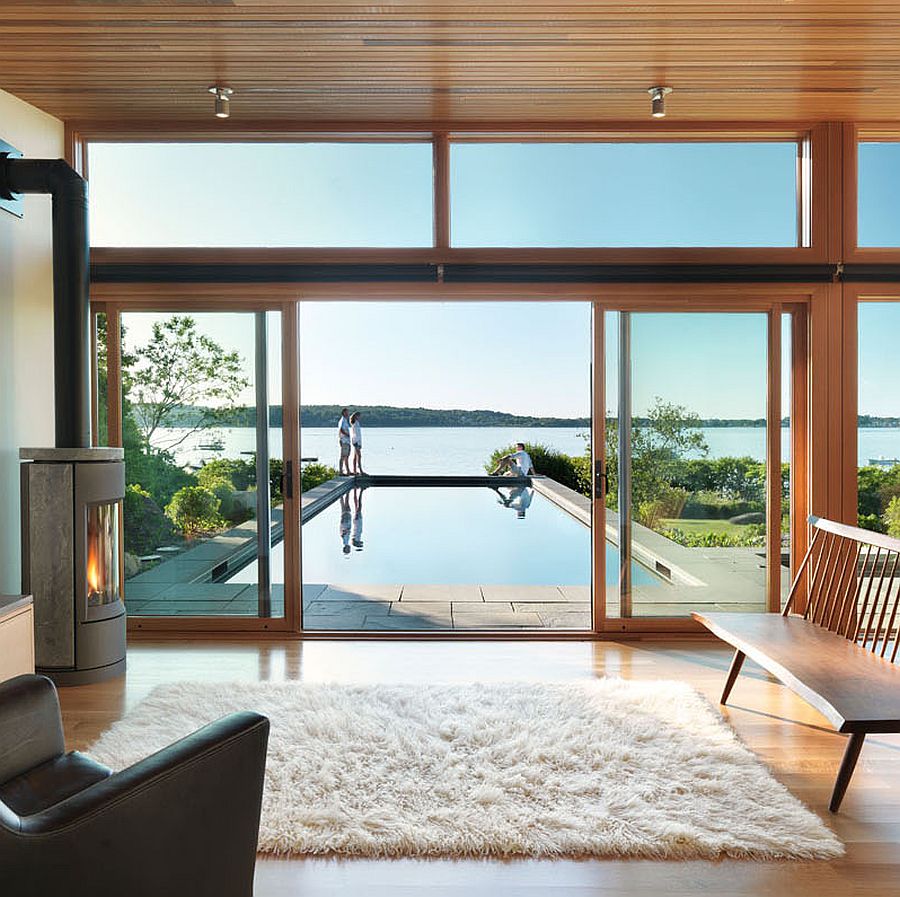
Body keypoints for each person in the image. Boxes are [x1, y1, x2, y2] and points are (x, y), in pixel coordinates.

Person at [350, 411, 365, 475]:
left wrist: (360, 443)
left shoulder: (356, 423)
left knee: (356, 456)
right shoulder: (355, 423)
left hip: (357, 442)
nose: (360, 417)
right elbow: (355, 434)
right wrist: (356, 443)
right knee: (359, 456)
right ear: (356, 416)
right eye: (359, 416)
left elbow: (358, 434)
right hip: (356, 442)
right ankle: (360, 470)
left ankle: (355, 470)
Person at [337, 407, 351, 475]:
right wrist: (347, 434)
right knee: (343, 456)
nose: (348, 413)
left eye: (348, 412)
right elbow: (341, 430)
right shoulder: (342, 420)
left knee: (346, 456)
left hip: (347, 441)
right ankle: (341, 471)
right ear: (343, 413)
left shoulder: (345, 420)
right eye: (347, 412)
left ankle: (348, 471)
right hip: (344, 441)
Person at [351, 486, 364, 550]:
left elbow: (356, 529)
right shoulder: (356, 538)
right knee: (356, 504)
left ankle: (361, 491)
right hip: (358, 520)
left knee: (359, 504)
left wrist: (356, 518)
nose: (361, 543)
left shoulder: (356, 538)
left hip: (358, 520)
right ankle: (355, 490)